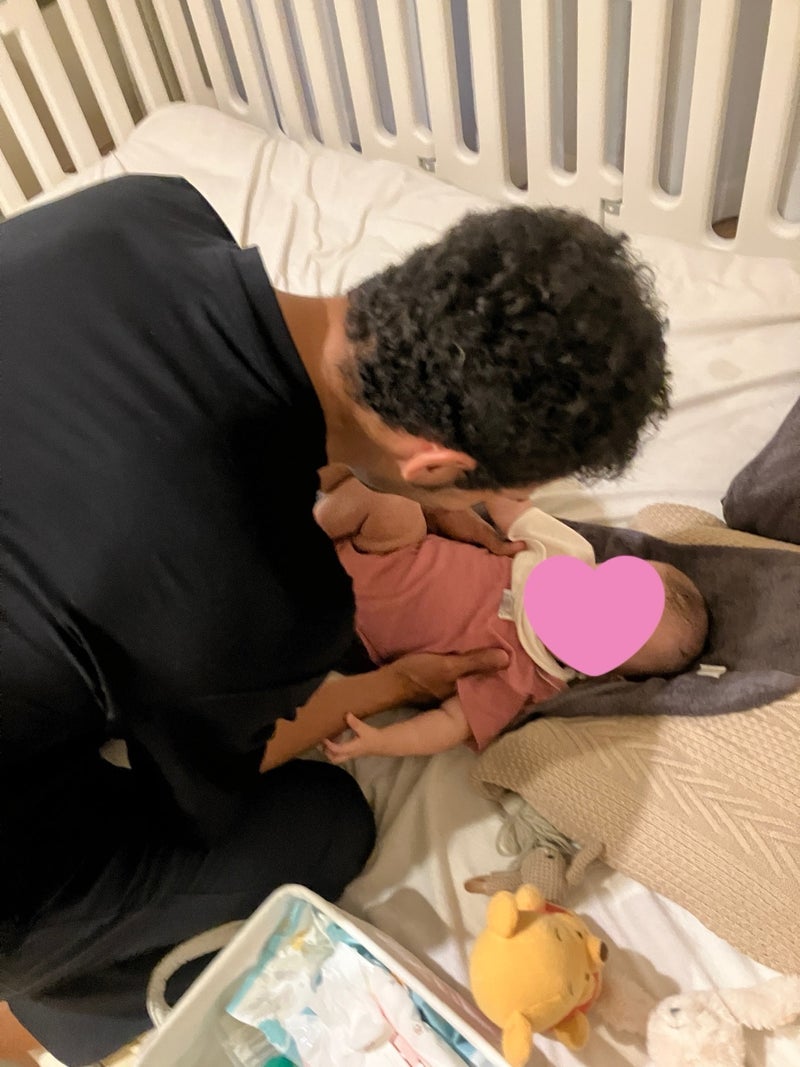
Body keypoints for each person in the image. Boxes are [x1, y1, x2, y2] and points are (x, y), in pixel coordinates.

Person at [0, 174, 668, 1065]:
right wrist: (396, 683)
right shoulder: (267, 598)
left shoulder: (142, 211)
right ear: (434, 466)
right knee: (324, 823)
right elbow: (201, 787)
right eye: (493, 489)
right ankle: (33, 1021)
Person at [313, 478, 708, 761]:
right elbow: (511, 506)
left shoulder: (529, 679)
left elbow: (451, 723)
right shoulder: (565, 554)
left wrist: (381, 741)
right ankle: (293, 538)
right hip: (387, 550)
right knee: (390, 499)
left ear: (610, 674)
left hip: (351, 631)